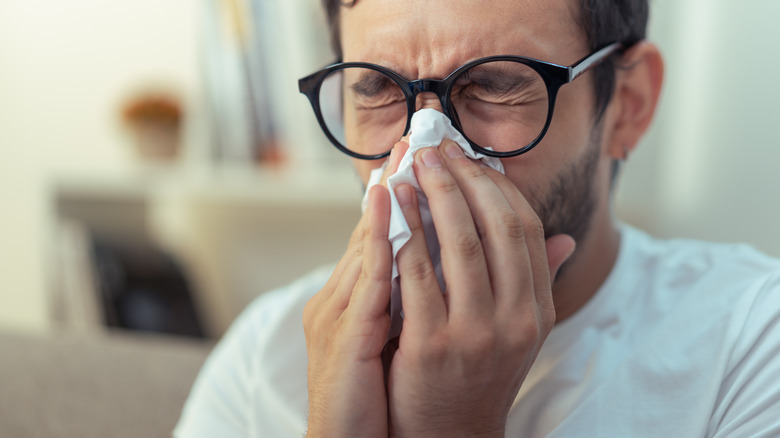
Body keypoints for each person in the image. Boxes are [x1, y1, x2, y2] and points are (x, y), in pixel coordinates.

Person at [174, 0, 780, 437]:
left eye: (494, 86)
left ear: (628, 105)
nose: (424, 152)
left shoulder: (750, 344)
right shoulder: (265, 356)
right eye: (377, 90)